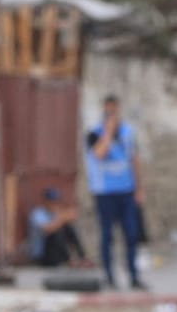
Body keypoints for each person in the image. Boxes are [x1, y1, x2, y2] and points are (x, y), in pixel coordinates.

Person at [85, 96, 144, 289]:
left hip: (126, 192)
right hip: (104, 192)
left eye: (114, 111)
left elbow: (134, 160)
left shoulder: (128, 133)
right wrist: (108, 133)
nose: (111, 114)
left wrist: (139, 188)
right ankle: (109, 277)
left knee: (131, 234)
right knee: (107, 236)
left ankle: (134, 276)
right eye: (108, 111)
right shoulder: (94, 133)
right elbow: (99, 154)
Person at [24, 185, 87, 269]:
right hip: (42, 255)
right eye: (51, 201)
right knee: (57, 231)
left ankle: (82, 257)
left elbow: (72, 216)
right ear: (45, 201)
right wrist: (61, 218)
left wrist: (62, 217)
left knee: (68, 228)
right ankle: (68, 260)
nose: (54, 203)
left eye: (56, 201)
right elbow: (47, 229)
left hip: (56, 254)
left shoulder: (55, 213)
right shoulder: (37, 213)